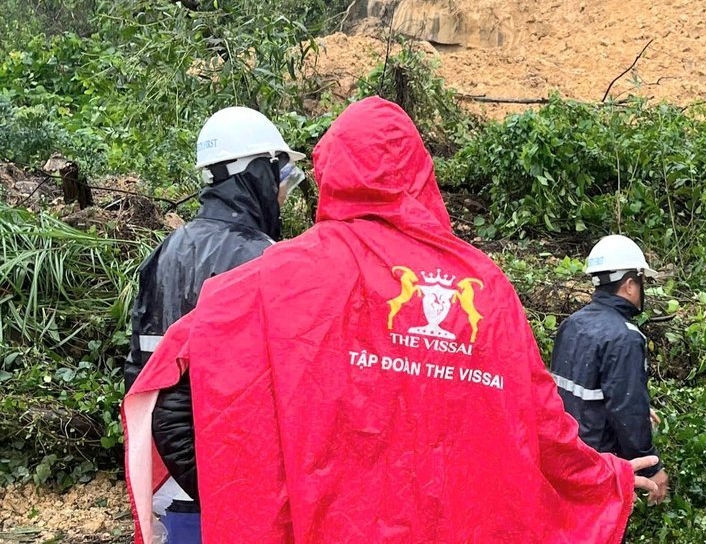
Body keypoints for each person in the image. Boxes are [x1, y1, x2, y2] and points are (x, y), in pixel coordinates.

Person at [123, 97, 661, 544]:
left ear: (332, 169)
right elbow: (539, 421)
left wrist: (259, 496)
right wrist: (607, 474)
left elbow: (167, 390)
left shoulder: (278, 276)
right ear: (421, 173)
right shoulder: (485, 287)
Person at [123, 106, 304, 543]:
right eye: (282, 179)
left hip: (169, 478)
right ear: (258, 173)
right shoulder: (268, 262)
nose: (283, 194)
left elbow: (142, 375)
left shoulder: (165, 252)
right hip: (243, 483)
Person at [550, 235, 670, 506]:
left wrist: (635, 403)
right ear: (629, 285)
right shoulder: (625, 337)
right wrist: (653, 469)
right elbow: (626, 411)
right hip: (600, 465)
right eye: (641, 282)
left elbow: (575, 389)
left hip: (565, 456)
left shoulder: (572, 324)